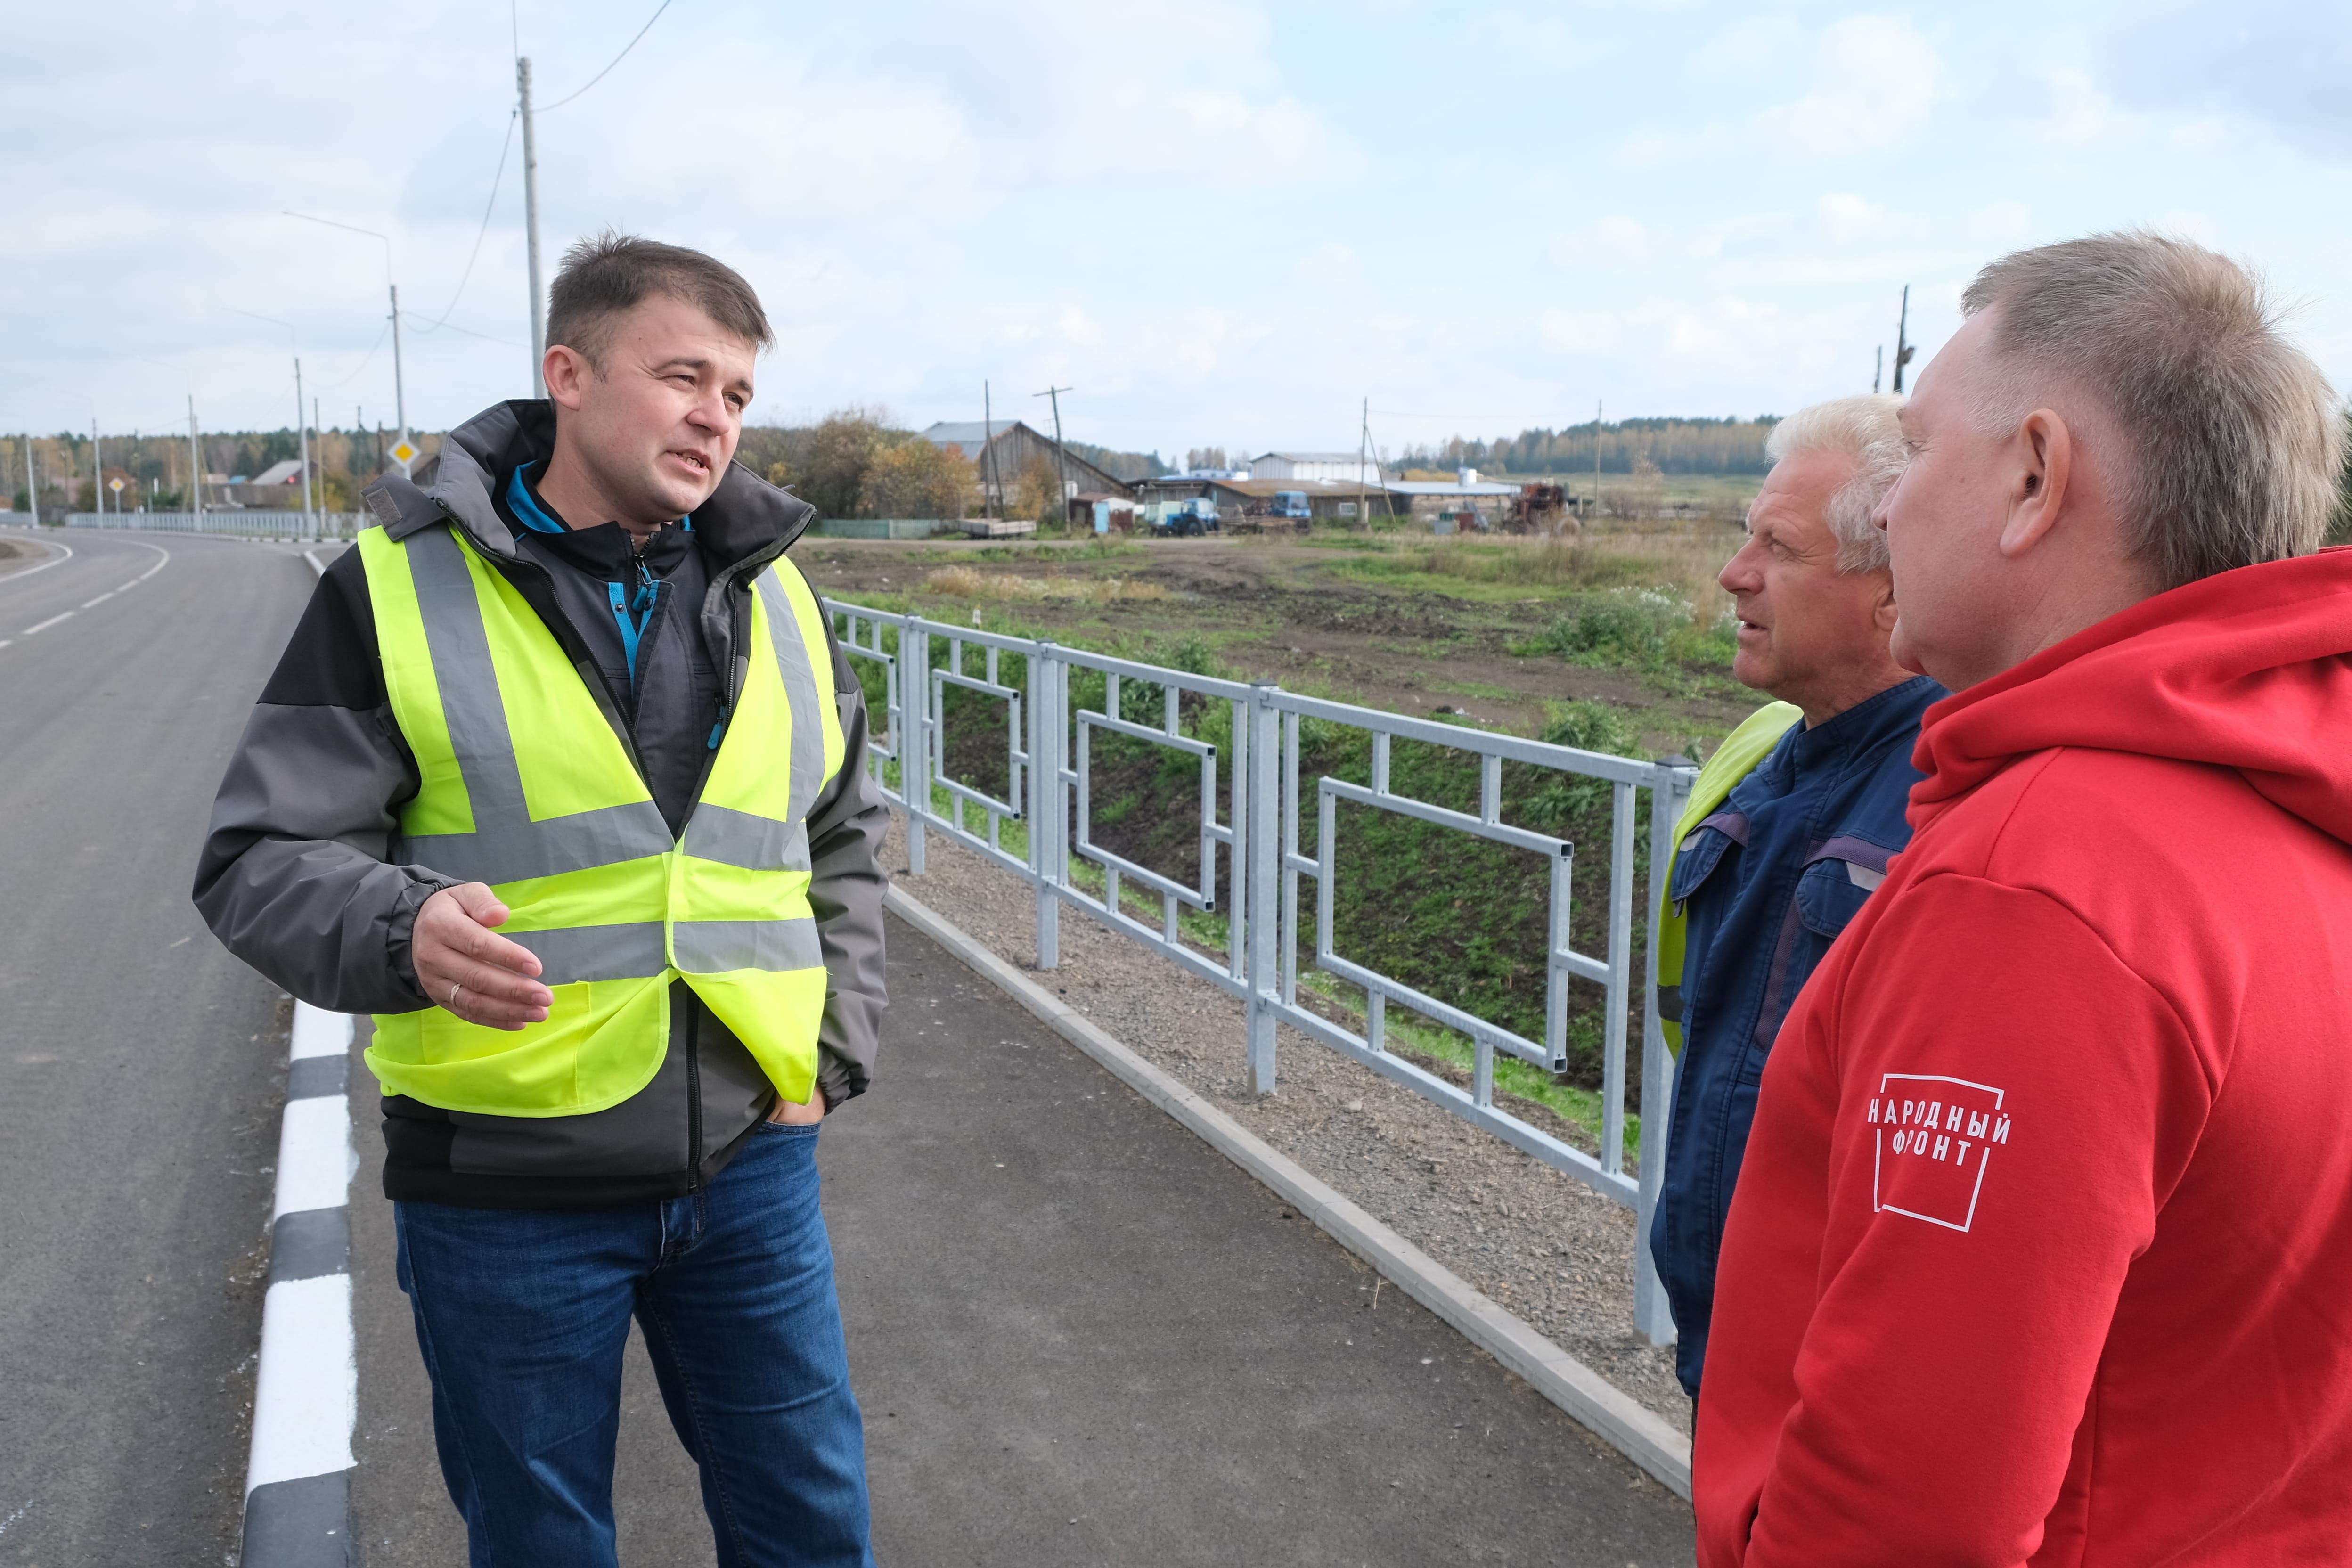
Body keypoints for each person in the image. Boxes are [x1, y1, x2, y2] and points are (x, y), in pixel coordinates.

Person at [195, 233, 890, 1566]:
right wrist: (402, 928)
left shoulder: (780, 595)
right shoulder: (394, 588)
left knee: (812, 1526)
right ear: (568, 374)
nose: (715, 417)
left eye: (738, 393)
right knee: (541, 1544)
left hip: (753, 1164)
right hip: (504, 1185)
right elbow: (261, 853)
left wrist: (833, 1049)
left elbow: (843, 838)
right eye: (683, 377)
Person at [1696, 232, 2352, 1564]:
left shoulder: (2038, 888)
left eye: (1916, 451)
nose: (1888, 509)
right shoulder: (2294, 802)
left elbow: (1902, 1513)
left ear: (2036, 478)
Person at [1649, 395, 1943, 1402]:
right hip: (1728, 1345)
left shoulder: (1948, 799)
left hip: (1834, 1379)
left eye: (1778, 547)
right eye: (1748, 537)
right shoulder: (1768, 753)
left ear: (1892, 593)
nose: (1735, 573)